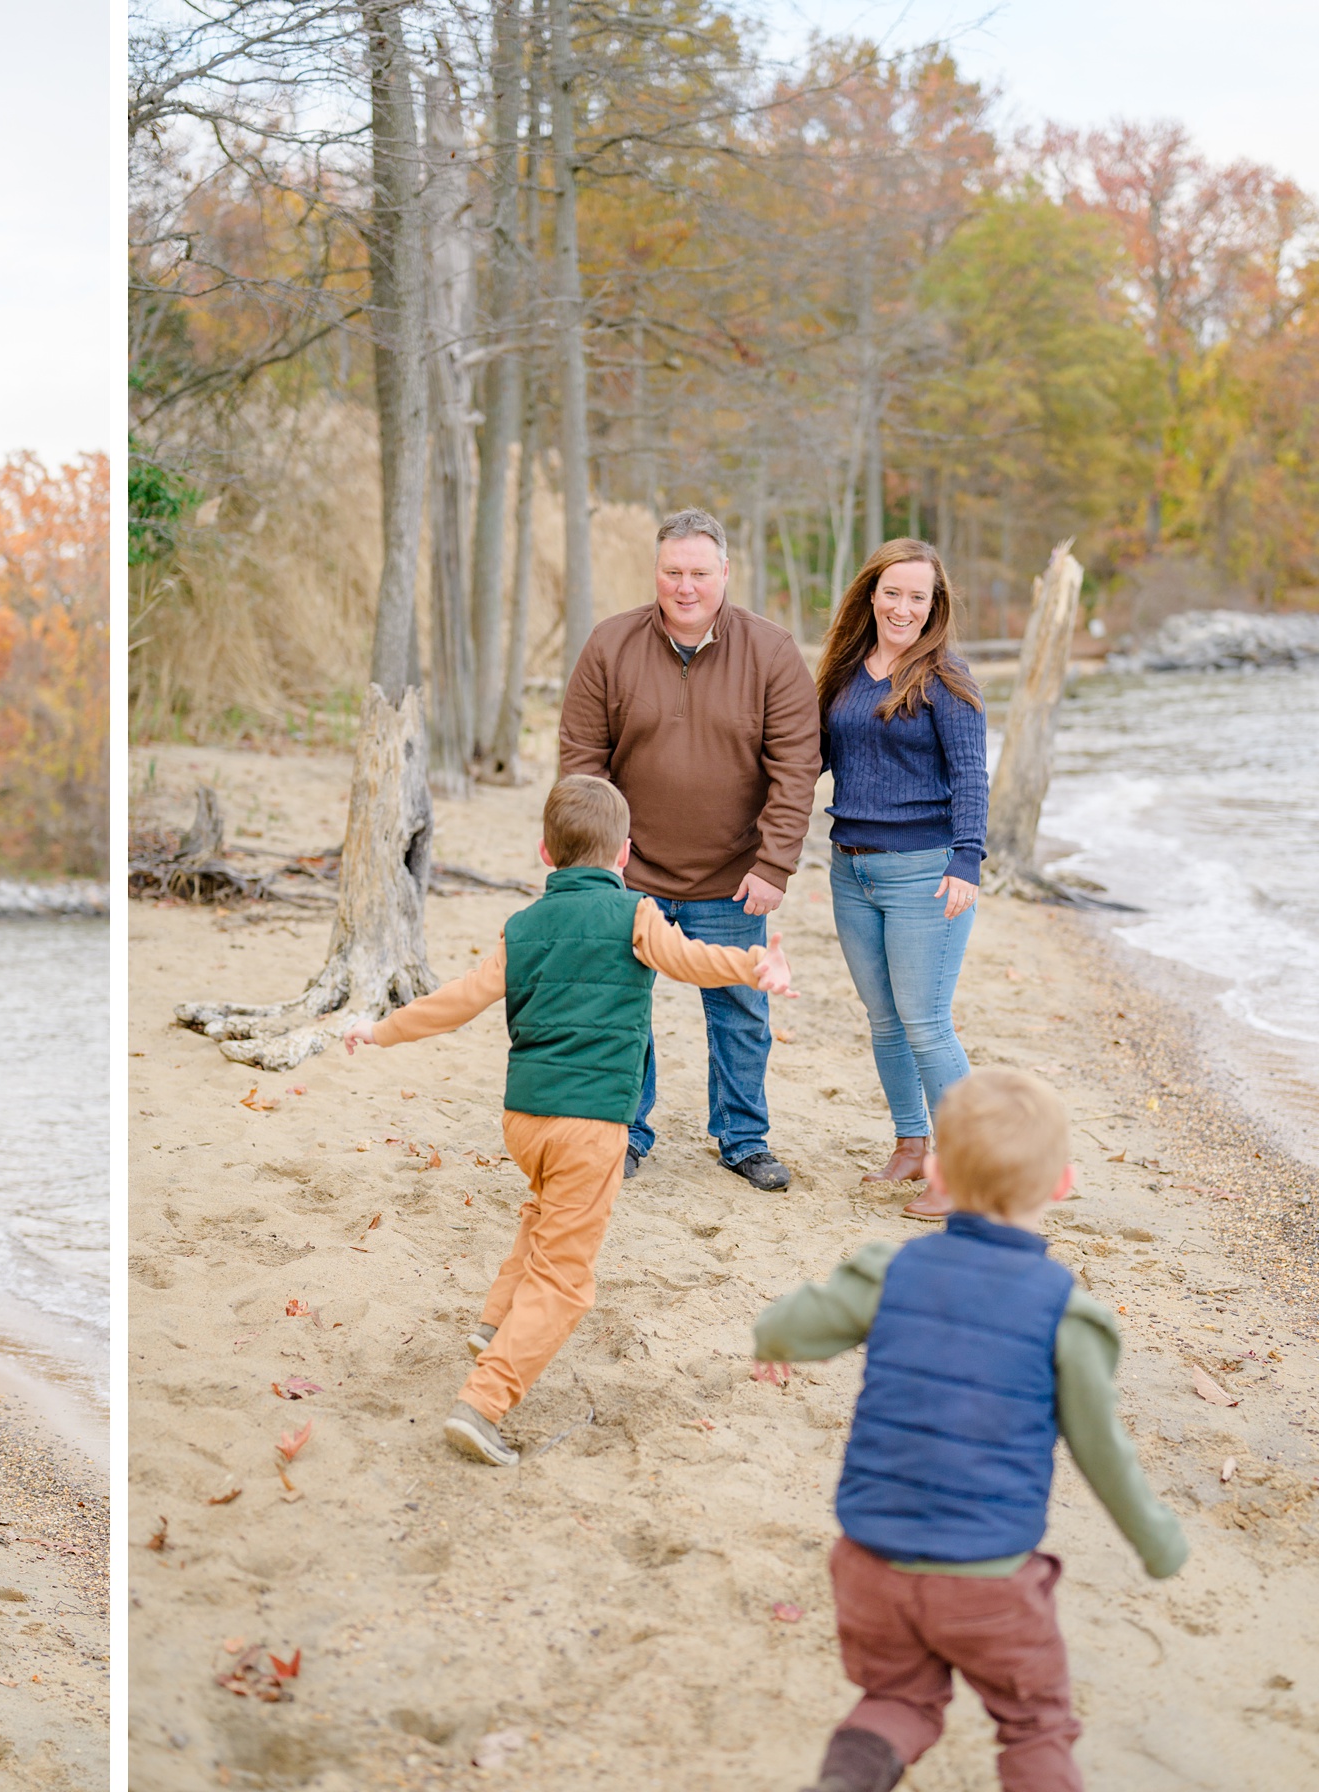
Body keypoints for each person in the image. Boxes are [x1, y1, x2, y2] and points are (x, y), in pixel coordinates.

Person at [753, 1068, 1187, 1792]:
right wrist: (1156, 1538)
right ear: (1063, 1184)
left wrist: (807, 1320)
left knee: (897, 1701)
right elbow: (1102, 1451)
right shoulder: (1066, 1315)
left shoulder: (891, 1273)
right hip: (989, 1581)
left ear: (937, 1172)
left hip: (872, 1567)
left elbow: (783, 1329)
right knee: (1036, 1724)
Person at [343, 775, 795, 1466]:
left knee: (542, 1212)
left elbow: (460, 1000)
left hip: (524, 1120)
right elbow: (691, 961)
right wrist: (754, 963)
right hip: (591, 1125)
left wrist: (382, 1031)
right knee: (567, 1279)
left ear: (545, 852)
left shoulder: (520, 927)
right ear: (625, 854)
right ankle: (484, 1402)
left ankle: (496, 1324)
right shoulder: (637, 915)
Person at [559, 508, 821, 1191]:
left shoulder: (771, 652)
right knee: (620, 1006)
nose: (685, 586)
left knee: (739, 1010)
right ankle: (627, 1133)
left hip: (734, 877)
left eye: (699, 573)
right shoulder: (610, 646)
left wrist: (774, 865)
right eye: (672, 572)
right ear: (656, 572)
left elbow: (797, 766)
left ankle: (742, 1137)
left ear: (725, 574)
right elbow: (583, 760)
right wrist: (591, 854)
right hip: (629, 870)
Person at [816, 539, 989, 1218]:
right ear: (871, 594)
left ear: (934, 606)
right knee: (885, 1022)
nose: (904, 607)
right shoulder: (843, 672)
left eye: (918, 597)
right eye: (893, 592)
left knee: (925, 1022)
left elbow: (972, 777)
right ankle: (913, 1144)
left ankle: (969, 1172)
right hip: (849, 868)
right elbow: (814, 760)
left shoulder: (948, 678)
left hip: (925, 873)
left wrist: (967, 860)